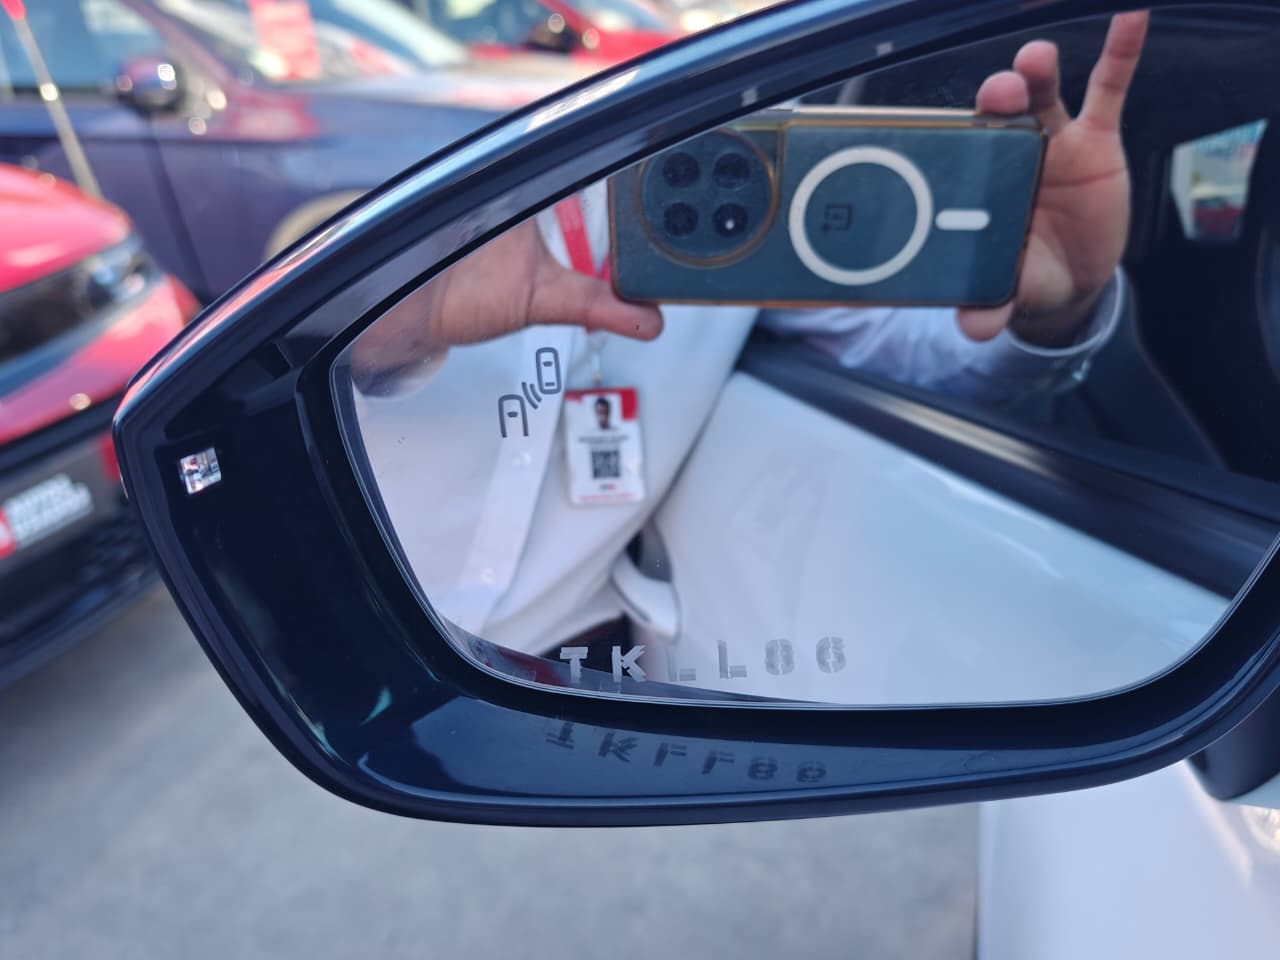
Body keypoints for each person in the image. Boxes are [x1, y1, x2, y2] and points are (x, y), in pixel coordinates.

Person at [349, 13, 1150, 677]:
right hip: (347, 640)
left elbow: (916, 360)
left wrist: (1062, 306)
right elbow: (284, 377)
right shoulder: (409, 138)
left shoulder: (745, 164)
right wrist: (397, 323)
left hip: (572, 677)